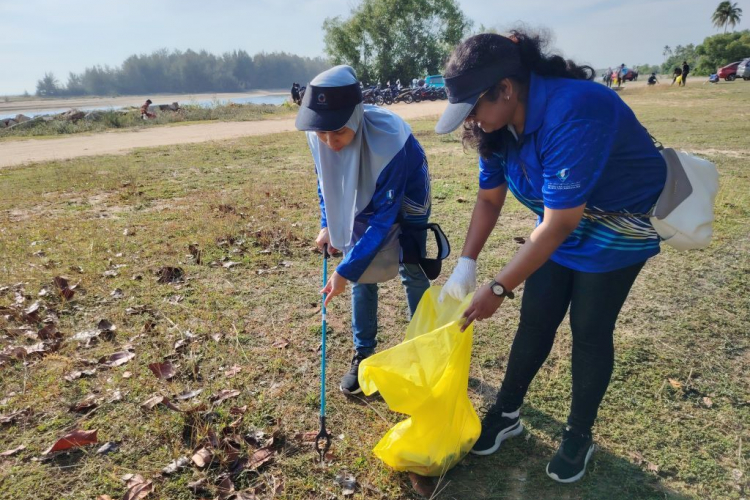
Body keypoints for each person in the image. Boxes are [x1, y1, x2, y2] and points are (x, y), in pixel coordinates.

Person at [434, 31, 667, 483]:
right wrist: (467, 263)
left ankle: (579, 433)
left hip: (615, 226)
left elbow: (560, 224)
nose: (474, 123)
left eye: (475, 108)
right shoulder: (498, 128)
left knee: (590, 327)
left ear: (506, 88)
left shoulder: (575, 109)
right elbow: (488, 200)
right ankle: (507, 412)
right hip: (558, 221)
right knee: (537, 316)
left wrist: (499, 286)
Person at [295, 65, 433, 396]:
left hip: (406, 194)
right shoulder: (321, 135)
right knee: (360, 273)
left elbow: (384, 219)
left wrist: (345, 270)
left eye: (338, 133)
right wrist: (328, 223)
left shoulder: (390, 139)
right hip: (360, 197)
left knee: (411, 267)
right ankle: (364, 355)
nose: (330, 143)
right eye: (322, 135)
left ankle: (424, 351)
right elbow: (325, 183)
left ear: (356, 116)